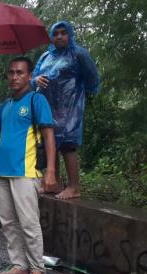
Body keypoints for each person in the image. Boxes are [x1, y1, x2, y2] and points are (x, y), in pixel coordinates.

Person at [0, 57, 58, 274]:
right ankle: (19, 264)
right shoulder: (8, 104)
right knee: (9, 222)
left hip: (26, 171)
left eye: (20, 72)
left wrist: (50, 171)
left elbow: (49, 135)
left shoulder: (36, 100)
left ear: (30, 76)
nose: (14, 77)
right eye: (11, 72)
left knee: (29, 223)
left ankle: (38, 270)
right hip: (2, 171)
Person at [32, 21, 100, 200]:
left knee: (68, 145)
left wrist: (83, 93)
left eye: (63, 33)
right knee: (50, 143)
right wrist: (36, 80)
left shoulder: (78, 54)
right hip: (48, 106)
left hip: (70, 107)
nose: (59, 37)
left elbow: (92, 78)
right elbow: (33, 77)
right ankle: (53, 184)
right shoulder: (45, 56)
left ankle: (74, 187)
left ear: (70, 34)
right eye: (56, 34)